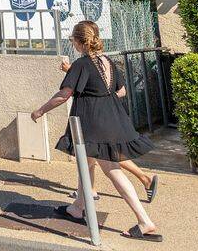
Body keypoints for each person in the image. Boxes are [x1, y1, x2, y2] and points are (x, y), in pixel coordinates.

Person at [31, 20, 161, 242]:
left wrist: (40, 111)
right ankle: (78, 207)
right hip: (112, 120)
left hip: (93, 125)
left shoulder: (81, 64)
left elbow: (64, 95)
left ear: (79, 42)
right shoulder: (108, 62)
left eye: (72, 40)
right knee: (87, 163)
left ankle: (144, 221)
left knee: (112, 171)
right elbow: (121, 91)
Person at [58, 56, 159, 204]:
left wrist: (71, 72)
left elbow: (90, 89)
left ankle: (144, 180)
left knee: (106, 156)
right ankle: (88, 193)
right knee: (91, 157)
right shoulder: (106, 61)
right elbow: (120, 90)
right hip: (107, 116)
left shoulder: (89, 63)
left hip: (97, 119)